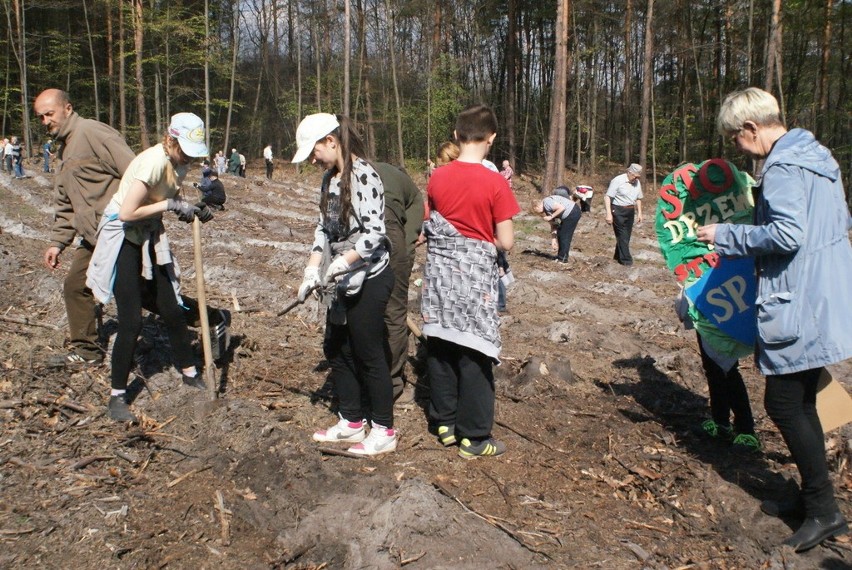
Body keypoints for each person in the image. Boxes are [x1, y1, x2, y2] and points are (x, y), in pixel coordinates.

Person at [697, 87, 852, 552]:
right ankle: (811, 498)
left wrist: (727, 233)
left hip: (799, 297)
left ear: (751, 128)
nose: (738, 149)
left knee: (784, 403)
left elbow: (787, 233)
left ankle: (824, 512)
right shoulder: (818, 155)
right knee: (801, 398)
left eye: (737, 140)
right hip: (826, 291)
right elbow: (838, 218)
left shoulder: (783, 166)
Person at [86, 112, 215, 422]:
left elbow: (166, 191)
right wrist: (170, 206)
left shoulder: (178, 163)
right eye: (184, 150)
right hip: (124, 238)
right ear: (170, 140)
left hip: (148, 232)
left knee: (172, 308)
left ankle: (189, 371)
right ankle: (117, 396)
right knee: (131, 320)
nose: (188, 158)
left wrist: (190, 206)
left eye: (192, 154)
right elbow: (128, 213)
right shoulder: (152, 161)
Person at [292, 112, 396, 456]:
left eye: (314, 150)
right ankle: (351, 421)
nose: (312, 158)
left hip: (370, 275)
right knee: (337, 348)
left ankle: (384, 430)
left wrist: (344, 262)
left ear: (331, 142)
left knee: (368, 352)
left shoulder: (364, 175)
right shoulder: (327, 180)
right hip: (340, 278)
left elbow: (375, 235)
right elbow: (323, 230)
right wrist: (312, 270)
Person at [423, 104, 519, 459]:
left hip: (437, 277)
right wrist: (476, 244)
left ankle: (444, 423)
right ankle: (474, 437)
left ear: (456, 135)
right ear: (491, 138)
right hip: (474, 279)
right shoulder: (495, 181)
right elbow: (506, 241)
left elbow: (431, 224)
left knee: (442, 344)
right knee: (475, 350)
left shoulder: (437, 177)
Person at [35, 89, 137, 366]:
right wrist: (58, 242)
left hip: (121, 231)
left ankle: (211, 317)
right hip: (93, 237)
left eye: (49, 114)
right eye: (41, 117)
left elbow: (136, 172)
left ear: (67, 108)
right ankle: (87, 351)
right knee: (75, 286)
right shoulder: (63, 151)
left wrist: (139, 216)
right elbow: (66, 204)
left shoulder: (93, 132)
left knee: (149, 293)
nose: (45, 121)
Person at [673, 291, 760, 452]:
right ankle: (721, 423)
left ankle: (746, 430)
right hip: (705, 301)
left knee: (728, 369)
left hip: (724, 298)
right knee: (712, 368)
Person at [373, 162, 424, 403]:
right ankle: (385, 380)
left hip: (392, 230)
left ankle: (391, 383)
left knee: (393, 311)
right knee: (385, 311)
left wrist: (407, 242)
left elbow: (415, 203)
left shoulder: (405, 191)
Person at [604, 163, 643, 265]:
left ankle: (617, 256)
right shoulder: (618, 180)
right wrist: (609, 214)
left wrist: (640, 213)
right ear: (629, 172)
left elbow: (639, 198)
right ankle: (626, 261)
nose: (636, 178)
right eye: (634, 176)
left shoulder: (637, 183)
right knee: (622, 235)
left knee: (626, 236)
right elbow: (608, 197)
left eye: (638, 177)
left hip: (630, 210)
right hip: (618, 210)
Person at [536, 187, 581, 264]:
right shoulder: (546, 210)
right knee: (560, 233)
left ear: (537, 205)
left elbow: (562, 208)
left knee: (564, 235)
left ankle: (563, 259)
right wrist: (553, 240)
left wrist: (551, 216)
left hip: (573, 212)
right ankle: (560, 256)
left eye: (536, 210)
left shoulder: (547, 202)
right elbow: (554, 225)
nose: (538, 213)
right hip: (571, 213)